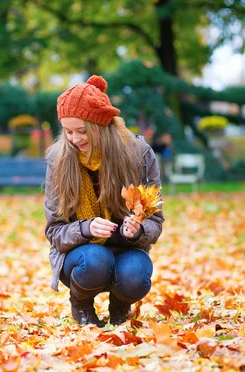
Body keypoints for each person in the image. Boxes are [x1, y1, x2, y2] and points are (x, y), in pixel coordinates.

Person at [44, 75, 164, 327]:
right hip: (82, 254)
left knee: (136, 275)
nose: (75, 139)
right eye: (68, 131)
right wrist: (86, 228)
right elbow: (54, 230)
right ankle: (81, 304)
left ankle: (120, 307)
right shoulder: (59, 158)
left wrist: (139, 229)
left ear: (100, 125)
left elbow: (155, 222)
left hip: (127, 249)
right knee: (96, 260)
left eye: (82, 131)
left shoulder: (138, 154)